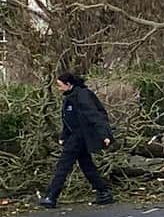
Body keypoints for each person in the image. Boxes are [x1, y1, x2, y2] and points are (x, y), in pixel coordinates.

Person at [40, 73, 115, 208]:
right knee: (87, 165)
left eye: (60, 85)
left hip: (80, 136)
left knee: (63, 166)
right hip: (76, 136)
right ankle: (103, 192)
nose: (59, 88)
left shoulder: (82, 96)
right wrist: (64, 136)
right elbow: (69, 120)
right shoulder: (70, 97)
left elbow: (94, 115)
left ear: (68, 84)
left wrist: (104, 135)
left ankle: (51, 196)